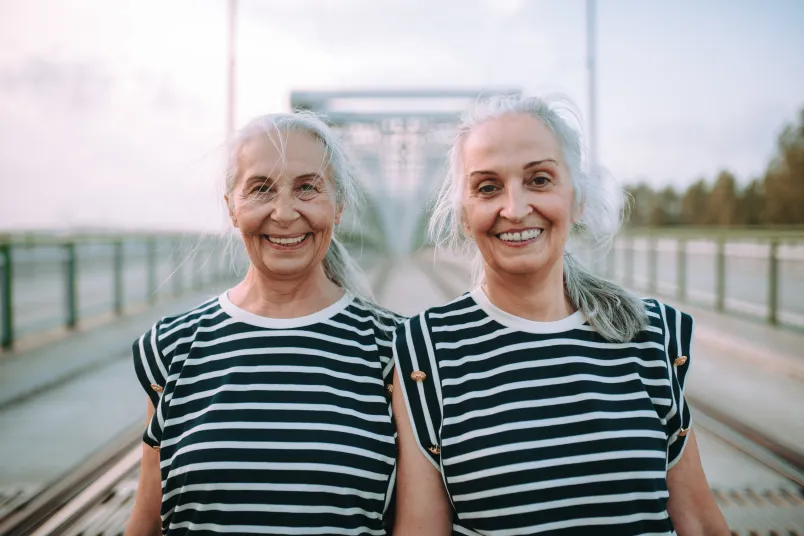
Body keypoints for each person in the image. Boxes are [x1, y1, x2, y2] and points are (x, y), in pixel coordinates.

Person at [391, 95, 730, 535]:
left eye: (539, 180)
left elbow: (699, 522)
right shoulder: (426, 351)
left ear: (578, 199)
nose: (515, 209)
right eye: (488, 187)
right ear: (464, 215)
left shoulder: (648, 333)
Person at [125, 111, 402, 535]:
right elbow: (147, 520)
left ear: (339, 206)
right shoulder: (172, 346)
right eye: (260, 189)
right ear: (232, 208)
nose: (284, 213)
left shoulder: (396, 350)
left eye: (308, 187)